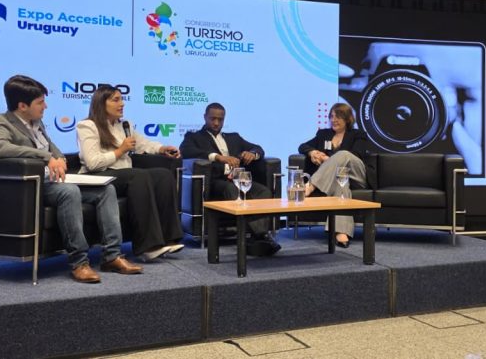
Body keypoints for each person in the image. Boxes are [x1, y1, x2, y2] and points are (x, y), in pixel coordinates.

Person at [0, 75, 142, 283]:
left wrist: (58, 156)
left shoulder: (37, 122)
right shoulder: (1, 122)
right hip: (34, 186)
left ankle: (112, 256)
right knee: (69, 192)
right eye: (40, 102)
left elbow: (51, 147)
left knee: (106, 189)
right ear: (22, 106)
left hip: (56, 180)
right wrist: (46, 157)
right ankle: (79, 262)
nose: (46, 106)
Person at [76, 85, 185, 262]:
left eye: (122, 99)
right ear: (101, 103)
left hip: (123, 176)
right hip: (98, 177)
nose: (122, 104)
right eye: (116, 100)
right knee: (138, 175)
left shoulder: (124, 125)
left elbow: (143, 144)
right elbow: (93, 162)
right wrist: (120, 151)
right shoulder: (88, 126)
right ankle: (147, 246)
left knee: (163, 175)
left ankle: (168, 238)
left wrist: (162, 148)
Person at [180, 102, 280, 255]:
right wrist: (218, 157)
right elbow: (186, 151)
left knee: (264, 191)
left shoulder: (234, 137)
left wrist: (252, 154)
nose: (216, 123)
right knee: (231, 189)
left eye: (220, 119)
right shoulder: (194, 137)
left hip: (240, 178)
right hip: (216, 181)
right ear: (205, 117)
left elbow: (258, 148)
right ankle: (261, 235)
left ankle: (256, 237)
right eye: (212, 119)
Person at [298, 103, 371, 248]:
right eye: (331, 116)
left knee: (344, 155)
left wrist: (328, 160)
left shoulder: (358, 135)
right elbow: (302, 146)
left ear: (347, 119)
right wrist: (313, 152)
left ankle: (310, 185)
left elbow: (356, 155)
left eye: (338, 117)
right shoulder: (323, 134)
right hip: (341, 178)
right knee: (341, 183)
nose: (334, 120)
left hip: (357, 174)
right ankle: (341, 233)